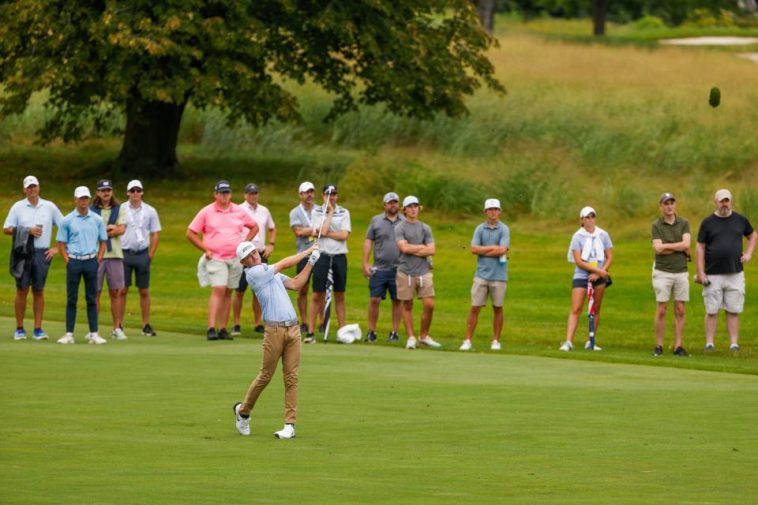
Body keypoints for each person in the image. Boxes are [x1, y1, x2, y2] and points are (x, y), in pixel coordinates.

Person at [232, 240, 320, 439]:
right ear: (244, 262)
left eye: (254, 252)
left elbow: (297, 284)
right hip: (274, 331)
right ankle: (243, 412)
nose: (254, 256)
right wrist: (308, 251)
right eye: (248, 256)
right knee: (265, 376)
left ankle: (290, 425)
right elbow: (284, 263)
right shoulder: (254, 274)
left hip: (293, 329)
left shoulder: (268, 271)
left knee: (291, 378)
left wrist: (311, 262)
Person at [187, 180, 258, 341]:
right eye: (221, 193)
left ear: (230, 194)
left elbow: (254, 226)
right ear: (215, 194)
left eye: (227, 192)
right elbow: (191, 232)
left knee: (228, 291)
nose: (224, 196)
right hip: (216, 257)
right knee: (219, 289)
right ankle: (211, 327)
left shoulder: (238, 210)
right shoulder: (207, 211)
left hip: (235, 258)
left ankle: (223, 328)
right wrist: (205, 249)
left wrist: (244, 245)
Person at [3, 175, 64, 340]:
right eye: (29, 187)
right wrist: (27, 230)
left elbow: (65, 226)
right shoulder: (18, 207)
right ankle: (20, 329)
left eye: (34, 186)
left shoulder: (49, 206)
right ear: (24, 189)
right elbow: (6, 229)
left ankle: (38, 329)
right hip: (22, 252)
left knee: (38, 290)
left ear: (39, 187)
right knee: (22, 290)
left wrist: (57, 248)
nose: (32, 189)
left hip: (42, 252)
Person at [695, 189, 756, 352]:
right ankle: (709, 343)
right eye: (721, 201)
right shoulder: (708, 222)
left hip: (735, 273)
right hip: (713, 273)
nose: (724, 204)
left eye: (727, 200)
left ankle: (734, 344)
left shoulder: (740, 220)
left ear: (731, 201)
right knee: (712, 310)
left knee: (733, 310)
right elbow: (700, 247)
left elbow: (752, 235)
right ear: (716, 202)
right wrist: (700, 272)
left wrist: (749, 253)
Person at [56, 186, 108, 344]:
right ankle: (69, 334)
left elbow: (103, 241)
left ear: (89, 199)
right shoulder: (67, 220)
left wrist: (98, 258)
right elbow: (61, 243)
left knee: (91, 298)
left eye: (86, 198)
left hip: (91, 261)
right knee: (72, 298)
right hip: (74, 261)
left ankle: (94, 334)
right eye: (81, 198)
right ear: (75, 200)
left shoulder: (97, 220)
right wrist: (68, 260)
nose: (83, 201)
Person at [459, 198, 510, 352]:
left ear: (499, 211)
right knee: (475, 308)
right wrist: (493, 248)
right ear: (485, 212)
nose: (493, 212)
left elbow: (503, 250)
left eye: (496, 209)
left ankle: (496, 340)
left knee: (498, 308)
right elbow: (473, 249)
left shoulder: (504, 229)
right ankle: (467, 340)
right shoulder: (479, 229)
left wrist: (485, 249)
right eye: (490, 209)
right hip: (481, 275)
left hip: (499, 275)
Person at [560, 206, 613, 352]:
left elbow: (609, 256)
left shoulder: (603, 235)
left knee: (595, 308)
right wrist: (598, 271)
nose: (590, 220)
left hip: (600, 275)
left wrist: (600, 273)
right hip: (582, 275)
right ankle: (568, 341)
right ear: (582, 220)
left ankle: (591, 341)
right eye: (587, 217)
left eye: (592, 217)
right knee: (576, 308)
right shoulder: (577, 237)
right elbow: (579, 261)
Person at [304, 184, 351, 344]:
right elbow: (319, 232)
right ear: (323, 196)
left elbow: (344, 235)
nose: (331, 197)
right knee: (318, 294)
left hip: (339, 256)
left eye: (334, 194)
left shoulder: (344, 212)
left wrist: (328, 233)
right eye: (328, 194)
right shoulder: (317, 212)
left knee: (340, 294)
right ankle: (310, 332)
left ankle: (342, 331)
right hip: (322, 255)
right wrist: (329, 212)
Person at [395, 195, 441, 350]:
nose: (413, 209)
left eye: (416, 206)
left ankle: (424, 336)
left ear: (419, 208)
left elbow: (432, 250)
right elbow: (403, 248)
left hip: (424, 271)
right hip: (405, 271)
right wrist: (422, 248)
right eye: (410, 206)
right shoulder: (400, 227)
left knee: (429, 304)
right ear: (405, 210)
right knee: (407, 304)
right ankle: (411, 337)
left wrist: (412, 248)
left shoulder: (425, 228)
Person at [232, 183, 276, 336]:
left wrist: (271, 244)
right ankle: (236, 324)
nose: (253, 196)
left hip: (260, 253)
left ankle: (258, 323)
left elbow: (272, 228)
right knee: (239, 290)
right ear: (245, 195)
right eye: (250, 193)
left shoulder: (264, 210)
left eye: (255, 193)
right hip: (244, 254)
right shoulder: (238, 209)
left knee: (259, 291)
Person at [120, 179, 162, 337]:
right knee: (122, 290)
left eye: (138, 190)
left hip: (142, 253)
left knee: (144, 290)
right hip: (124, 253)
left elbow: (155, 233)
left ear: (142, 192)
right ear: (128, 193)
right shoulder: (121, 209)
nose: (135, 193)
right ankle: (119, 324)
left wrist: (151, 253)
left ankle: (146, 324)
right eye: (132, 191)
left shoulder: (150, 211)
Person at [651, 192, 691, 357]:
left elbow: (687, 244)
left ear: (675, 205)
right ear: (661, 206)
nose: (669, 206)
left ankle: (678, 346)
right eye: (666, 203)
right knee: (662, 309)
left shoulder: (684, 223)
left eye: (671, 203)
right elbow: (658, 249)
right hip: (662, 272)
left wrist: (668, 246)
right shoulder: (656, 225)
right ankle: (659, 345)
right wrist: (679, 248)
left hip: (681, 271)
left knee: (680, 309)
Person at [91, 179, 129, 340]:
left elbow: (121, 230)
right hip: (96, 255)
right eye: (103, 190)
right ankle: (94, 329)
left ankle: (117, 327)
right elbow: (92, 230)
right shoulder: (92, 210)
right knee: (95, 292)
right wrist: (109, 229)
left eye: (108, 190)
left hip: (115, 255)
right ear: (98, 193)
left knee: (116, 292)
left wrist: (108, 230)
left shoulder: (119, 208)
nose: (106, 193)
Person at [363, 192, 403, 342]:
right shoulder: (376, 220)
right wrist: (365, 263)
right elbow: (368, 241)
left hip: (399, 268)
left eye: (395, 202)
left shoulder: (404, 221)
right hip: (379, 268)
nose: (393, 205)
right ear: (385, 205)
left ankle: (394, 332)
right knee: (375, 299)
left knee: (397, 300)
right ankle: (372, 331)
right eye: (390, 202)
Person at [289, 181, 317, 333]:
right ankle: (304, 321)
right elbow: (298, 231)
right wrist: (315, 230)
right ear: (300, 195)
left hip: (319, 253)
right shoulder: (295, 212)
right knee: (303, 288)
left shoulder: (320, 210)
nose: (310, 195)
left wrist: (312, 230)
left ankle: (318, 322)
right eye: (306, 192)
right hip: (303, 254)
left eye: (311, 192)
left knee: (319, 290)